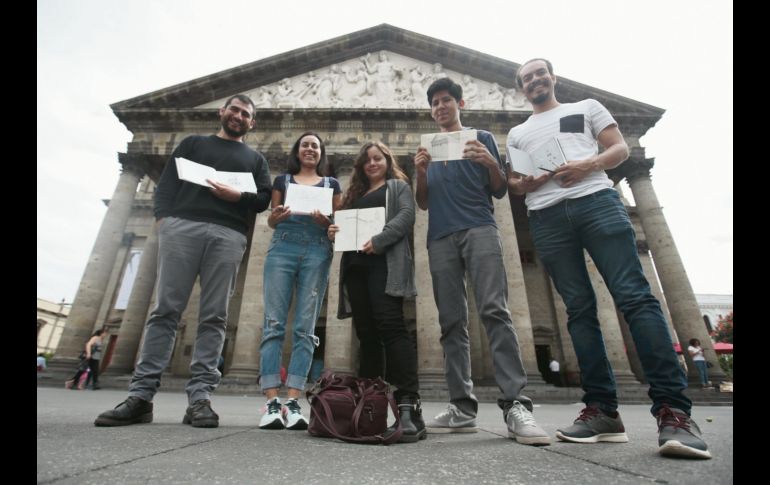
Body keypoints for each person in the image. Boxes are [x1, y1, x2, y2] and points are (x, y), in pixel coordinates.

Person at [507, 58, 711, 459]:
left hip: (596, 202)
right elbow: (514, 182)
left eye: (540, 73)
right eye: (527, 78)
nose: (535, 81)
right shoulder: (518, 132)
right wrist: (525, 182)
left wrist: (589, 163)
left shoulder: (586, 107)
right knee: (579, 311)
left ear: (553, 78)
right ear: (521, 88)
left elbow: (620, 148)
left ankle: (674, 411)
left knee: (635, 298)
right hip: (545, 215)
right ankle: (601, 411)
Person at [94, 94, 272, 428]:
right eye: (234, 110)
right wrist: (164, 222)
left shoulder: (256, 159)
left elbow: (263, 199)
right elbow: (167, 185)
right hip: (182, 229)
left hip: (228, 235)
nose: (238, 116)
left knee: (215, 316)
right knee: (165, 311)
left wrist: (237, 195)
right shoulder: (192, 144)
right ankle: (141, 395)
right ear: (222, 112)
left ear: (252, 122)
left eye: (245, 113)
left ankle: (200, 398)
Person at [413, 77, 549, 446]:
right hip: (440, 237)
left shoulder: (482, 137)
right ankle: (461, 406)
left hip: (480, 229)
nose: (440, 107)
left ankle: (516, 404)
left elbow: (500, 189)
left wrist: (490, 162)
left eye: (446, 100)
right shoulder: (428, 148)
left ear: (460, 104)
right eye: (435, 103)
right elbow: (422, 202)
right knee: (450, 322)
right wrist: (421, 172)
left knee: (495, 310)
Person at [327, 141, 425, 443]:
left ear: (387, 161)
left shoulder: (398, 187)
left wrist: (380, 240)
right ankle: (369, 405)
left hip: (384, 263)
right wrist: (334, 231)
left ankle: (409, 405)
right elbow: (344, 227)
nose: (372, 163)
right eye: (367, 160)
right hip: (356, 266)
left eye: (377, 158)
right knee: (367, 334)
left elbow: (406, 216)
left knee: (392, 326)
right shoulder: (354, 195)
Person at [258, 131, 342, 431]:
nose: (310, 149)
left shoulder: (332, 184)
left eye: (315, 146)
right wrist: (277, 217)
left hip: (317, 250)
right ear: (297, 150)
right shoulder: (282, 181)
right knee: (273, 324)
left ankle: (293, 401)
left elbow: (337, 225)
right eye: (305, 145)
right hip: (283, 247)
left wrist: (327, 223)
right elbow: (271, 219)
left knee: (305, 329)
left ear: (321, 153)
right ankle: (271, 402)